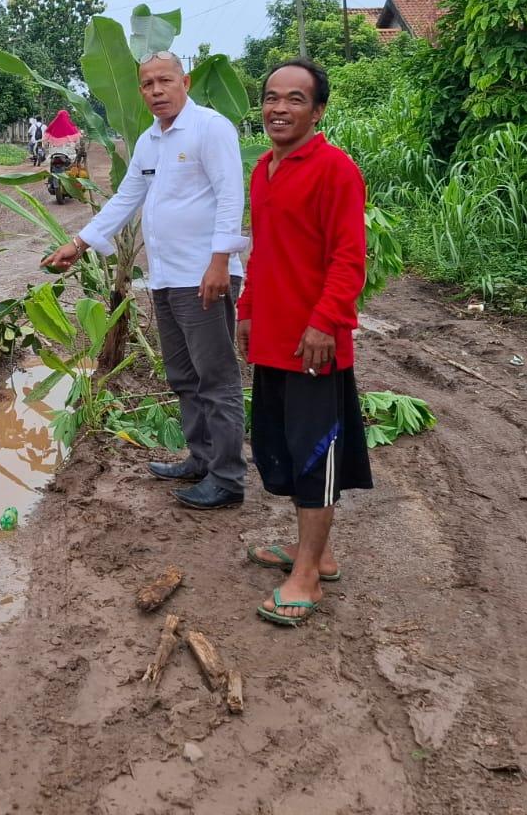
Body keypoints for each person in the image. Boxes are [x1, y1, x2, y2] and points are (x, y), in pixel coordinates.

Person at [42, 50, 248, 509]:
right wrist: (79, 243)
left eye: (164, 81)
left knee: (215, 378)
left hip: (204, 275)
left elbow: (231, 196)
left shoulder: (210, 128)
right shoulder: (150, 141)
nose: (156, 91)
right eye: (147, 84)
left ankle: (228, 478)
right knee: (184, 375)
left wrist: (220, 261)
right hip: (167, 276)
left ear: (184, 82)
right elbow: (126, 197)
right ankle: (201, 459)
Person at [236, 59, 371, 627]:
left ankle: (308, 576)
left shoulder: (336, 170)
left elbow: (349, 258)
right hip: (272, 338)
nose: (279, 108)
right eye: (272, 97)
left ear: (318, 111)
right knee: (288, 449)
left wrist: (324, 323)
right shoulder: (264, 170)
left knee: (315, 456)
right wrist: (246, 309)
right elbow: (264, 251)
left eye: (295, 99)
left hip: (315, 345)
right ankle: (318, 552)